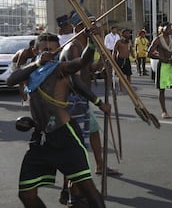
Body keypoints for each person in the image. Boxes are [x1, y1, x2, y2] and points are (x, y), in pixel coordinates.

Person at [7, 31, 106, 208]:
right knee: (26, 194)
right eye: (44, 49)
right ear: (35, 50)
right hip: (41, 139)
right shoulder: (31, 72)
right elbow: (11, 80)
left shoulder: (60, 68)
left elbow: (81, 62)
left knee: (89, 192)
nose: (49, 53)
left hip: (64, 136)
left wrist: (91, 43)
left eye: (53, 50)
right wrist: (38, 63)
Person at [59, 12, 117, 204]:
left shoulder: (83, 47)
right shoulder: (72, 48)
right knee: (76, 149)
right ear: (78, 28)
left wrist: (99, 66)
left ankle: (98, 167)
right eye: (90, 26)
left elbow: (87, 68)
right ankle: (72, 192)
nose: (96, 29)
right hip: (73, 103)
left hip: (81, 102)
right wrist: (100, 103)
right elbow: (76, 82)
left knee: (90, 135)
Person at [148, 22, 172, 119]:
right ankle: (164, 111)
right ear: (163, 29)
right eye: (168, 28)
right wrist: (162, 59)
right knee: (162, 89)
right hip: (163, 66)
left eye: (171, 28)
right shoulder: (157, 40)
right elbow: (149, 53)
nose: (171, 29)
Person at [11, 39, 36, 106]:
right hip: (16, 65)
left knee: (29, 81)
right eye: (34, 47)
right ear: (30, 46)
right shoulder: (24, 52)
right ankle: (25, 100)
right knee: (22, 83)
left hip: (26, 64)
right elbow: (18, 65)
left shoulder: (35, 52)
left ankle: (30, 97)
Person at [113, 29, 135, 93]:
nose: (128, 34)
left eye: (128, 33)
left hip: (127, 59)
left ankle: (129, 88)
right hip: (120, 60)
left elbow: (131, 50)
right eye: (126, 33)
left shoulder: (129, 42)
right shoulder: (119, 42)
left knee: (128, 74)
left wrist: (134, 57)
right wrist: (113, 59)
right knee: (121, 75)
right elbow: (114, 51)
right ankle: (120, 89)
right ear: (122, 34)